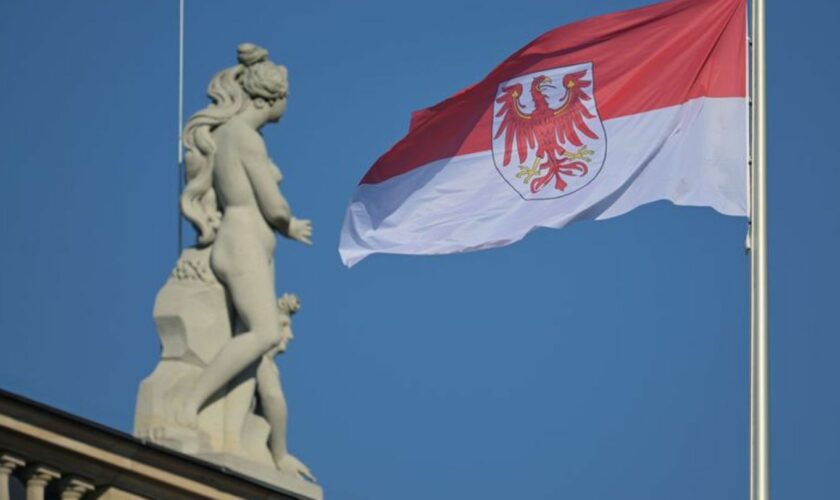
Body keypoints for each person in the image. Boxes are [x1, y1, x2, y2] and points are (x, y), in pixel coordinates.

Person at [177, 43, 312, 428]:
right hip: (243, 243)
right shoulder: (245, 137)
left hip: (248, 245)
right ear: (273, 97)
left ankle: (229, 435)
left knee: (254, 349)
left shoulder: (226, 134)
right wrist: (291, 224)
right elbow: (274, 206)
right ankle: (189, 404)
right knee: (264, 334)